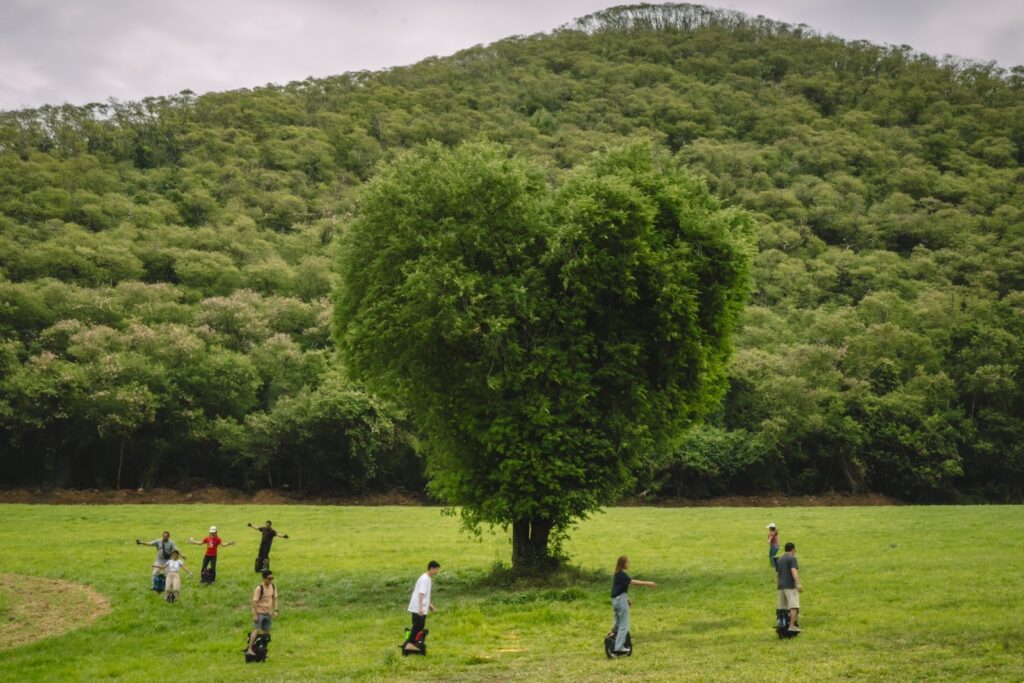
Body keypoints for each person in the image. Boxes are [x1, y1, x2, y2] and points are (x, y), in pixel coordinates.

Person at [608, 555, 656, 656]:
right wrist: (648, 583)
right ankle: (619, 647)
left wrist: (626, 598)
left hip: (616, 599)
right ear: (623, 563)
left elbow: (619, 587)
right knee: (624, 625)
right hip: (620, 600)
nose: (629, 564)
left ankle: (612, 635)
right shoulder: (622, 573)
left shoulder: (617, 574)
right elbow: (633, 582)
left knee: (618, 623)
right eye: (627, 562)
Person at [403, 560, 440, 653]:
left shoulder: (428, 578)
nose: (437, 572)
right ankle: (410, 644)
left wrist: (430, 605)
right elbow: (421, 594)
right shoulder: (425, 579)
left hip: (421, 606)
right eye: (436, 569)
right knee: (417, 626)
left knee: (419, 626)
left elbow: (425, 595)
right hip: (418, 607)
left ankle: (412, 644)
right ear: (431, 568)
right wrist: (420, 608)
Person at [245, 569, 279, 656]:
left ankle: (262, 650)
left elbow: (275, 599)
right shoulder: (259, 588)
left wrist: (276, 610)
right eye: (269, 579)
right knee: (256, 630)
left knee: (266, 633)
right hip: (260, 613)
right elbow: (254, 602)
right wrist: (255, 615)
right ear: (264, 579)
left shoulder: (273, 586)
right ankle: (249, 649)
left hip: (268, 613)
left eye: (272, 578)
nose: (271, 580)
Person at [776, 542, 803, 632]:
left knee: (782, 608)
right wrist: (798, 584)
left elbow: (777, 574)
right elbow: (793, 571)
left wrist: (778, 584)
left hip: (780, 586)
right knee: (794, 606)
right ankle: (791, 626)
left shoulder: (779, 560)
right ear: (793, 549)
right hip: (790, 586)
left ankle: (782, 625)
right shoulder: (792, 559)